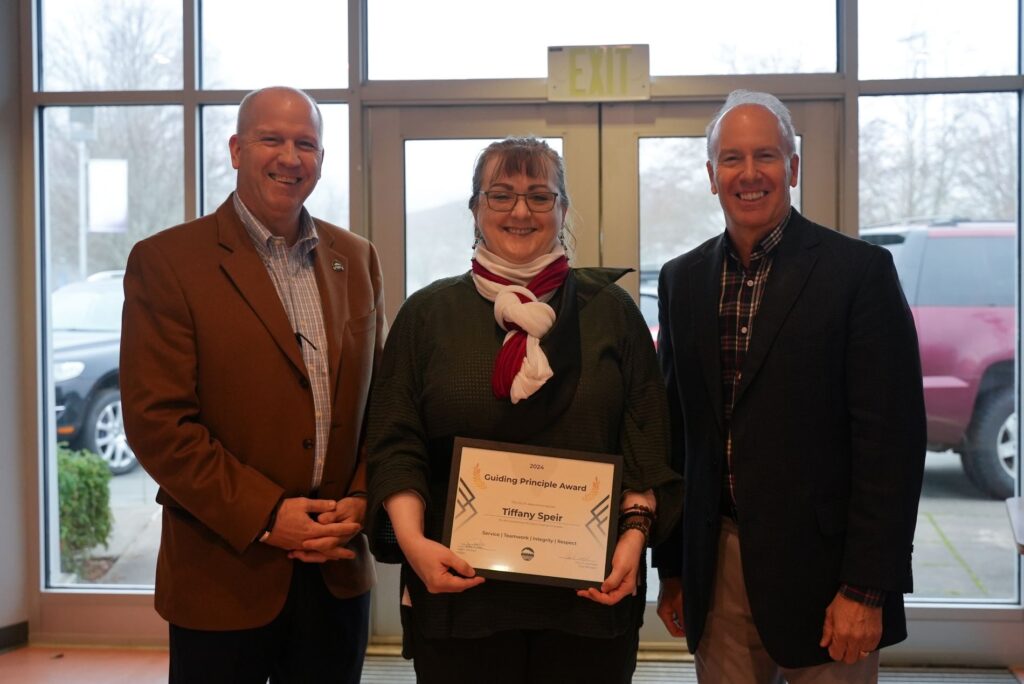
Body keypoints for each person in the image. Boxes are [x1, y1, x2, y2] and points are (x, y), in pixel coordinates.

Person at [365, 136, 683, 684]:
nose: (520, 211)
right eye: (501, 195)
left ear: (562, 210)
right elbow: (396, 442)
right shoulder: (427, 316)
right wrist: (414, 546)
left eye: (539, 196)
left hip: (590, 597)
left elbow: (646, 444)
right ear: (474, 209)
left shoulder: (612, 314)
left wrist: (633, 538)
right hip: (460, 595)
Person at [652, 90, 927, 683]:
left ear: (793, 167)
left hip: (829, 579)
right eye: (731, 159)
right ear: (710, 175)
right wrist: (671, 568)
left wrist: (867, 588)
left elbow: (892, 445)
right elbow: (678, 439)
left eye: (767, 156)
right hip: (717, 565)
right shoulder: (682, 282)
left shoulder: (859, 274)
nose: (748, 174)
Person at [120, 86, 385, 683]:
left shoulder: (358, 258)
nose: (290, 157)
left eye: (307, 144)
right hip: (224, 574)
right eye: (273, 139)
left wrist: (363, 498)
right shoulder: (167, 263)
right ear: (237, 149)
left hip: (336, 570)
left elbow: (381, 403)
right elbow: (158, 425)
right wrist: (268, 515)